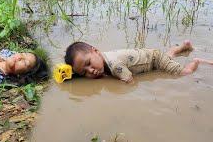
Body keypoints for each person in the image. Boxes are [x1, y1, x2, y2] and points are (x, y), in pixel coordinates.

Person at [64, 40, 213, 82]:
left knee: (184, 73)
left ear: (96, 51)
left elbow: (129, 80)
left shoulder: (115, 66)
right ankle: (183, 47)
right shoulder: (104, 57)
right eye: (85, 72)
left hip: (155, 59)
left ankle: (196, 61)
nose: (91, 70)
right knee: (167, 57)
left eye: (89, 64)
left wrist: (106, 79)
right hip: (151, 55)